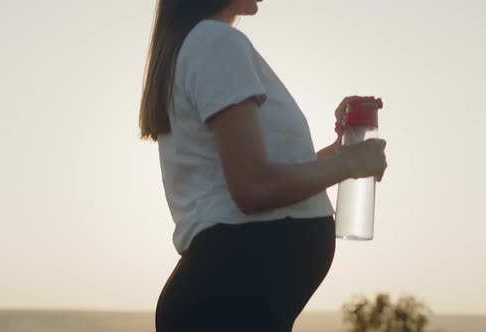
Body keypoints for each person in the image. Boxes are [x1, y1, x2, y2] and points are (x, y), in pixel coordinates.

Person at [138, 1, 387, 331]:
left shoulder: (200, 44)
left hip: (227, 303)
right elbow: (253, 188)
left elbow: (260, 177)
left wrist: (339, 153)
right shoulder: (216, 42)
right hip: (228, 307)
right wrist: (348, 164)